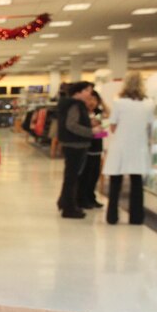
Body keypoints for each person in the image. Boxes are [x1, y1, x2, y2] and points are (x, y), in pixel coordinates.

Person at [104, 71, 155, 225]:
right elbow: (149, 124)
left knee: (116, 180)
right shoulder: (148, 103)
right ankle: (137, 217)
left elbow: (113, 125)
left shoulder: (119, 102)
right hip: (139, 145)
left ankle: (112, 216)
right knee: (137, 181)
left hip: (120, 144)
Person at [55, 81, 94, 219]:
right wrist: (92, 132)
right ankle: (69, 207)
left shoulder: (72, 105)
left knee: (71, 176)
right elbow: (72, 125)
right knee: (72, 177)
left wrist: (96, 133)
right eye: (88, 90)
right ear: (79, 92)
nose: (90, 93)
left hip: (74, 144)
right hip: (75, 145)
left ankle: (65, 202)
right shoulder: (75, 105)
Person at [77, 90, 106, 209]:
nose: (92, 102)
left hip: (97, 148)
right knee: (85, 176)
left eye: (94, 99)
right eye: (89, 99)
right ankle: (81, 199)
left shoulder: (98, 113)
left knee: (94, 175)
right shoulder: (82, 113)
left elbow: (107, 118)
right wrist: (93, 132)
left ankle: (91, 197)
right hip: (85, 148)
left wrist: (103, 102)